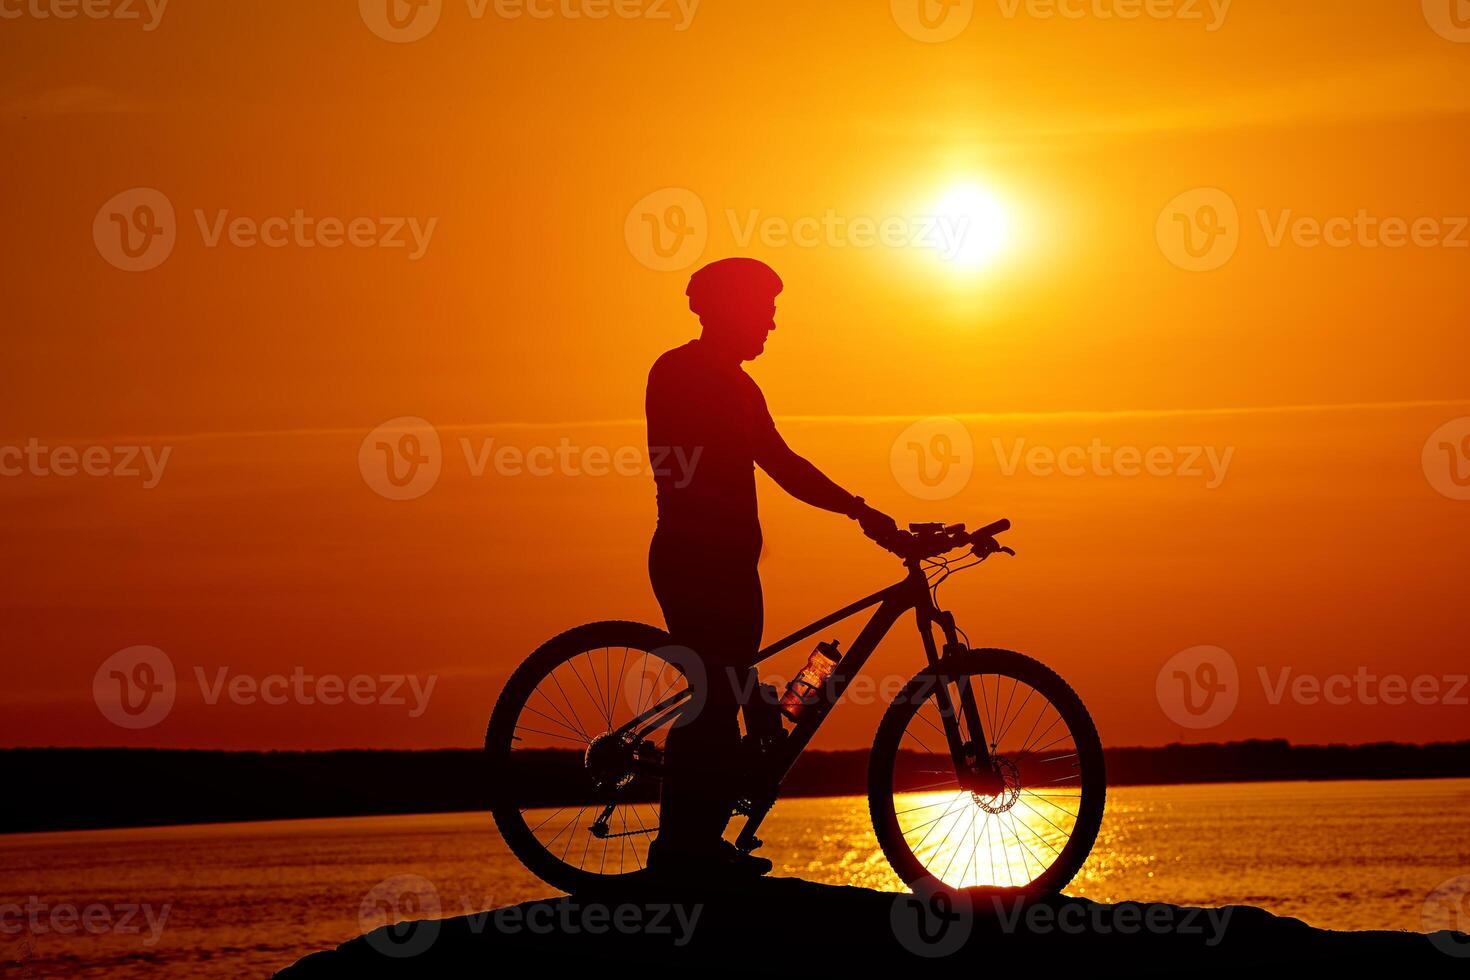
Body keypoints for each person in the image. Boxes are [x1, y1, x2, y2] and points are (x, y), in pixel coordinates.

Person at [644, 257, 898, 877]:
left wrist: (859, 510)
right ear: (729, 310)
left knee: (730, 697)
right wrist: (860, 512)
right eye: (765, 311)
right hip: (696, 561)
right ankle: (681, 851)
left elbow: (780, 462)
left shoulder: (734, 384)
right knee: (712, 700)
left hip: (728, 564)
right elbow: (745, 465)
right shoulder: (684, 373)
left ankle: (695, 844)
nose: (772, 325)